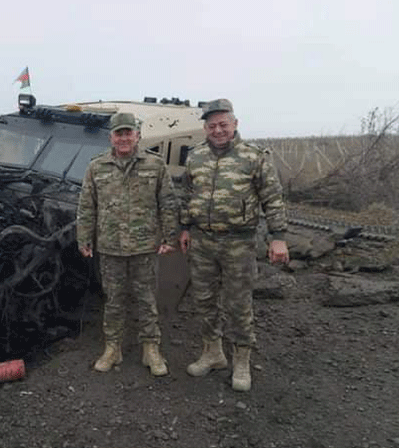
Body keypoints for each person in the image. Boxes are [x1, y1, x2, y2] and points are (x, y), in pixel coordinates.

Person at [179, 99, 289, 392]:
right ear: (205, 128)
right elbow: (186, 195)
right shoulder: (196, 157)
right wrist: (184, 227)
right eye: (212, 125)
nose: (218, 130)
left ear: (235, 124)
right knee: (204, 300)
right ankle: (213, 353)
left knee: (238, 303)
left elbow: (273, 198)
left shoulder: (254, 157)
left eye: (223, 124)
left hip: (238, 242)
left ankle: (241, 360)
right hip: (202, 240)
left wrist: (277, 236)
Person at [77, 112, 179, 376]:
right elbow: (87, 206)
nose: (123, 138)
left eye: (128, 133)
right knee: (113, 300)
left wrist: (170, 237)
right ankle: (113, 348)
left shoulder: (155, 165)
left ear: (137, 135)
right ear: (111, 137)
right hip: (110, 248)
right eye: (118, 133)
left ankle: (151, 348)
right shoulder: (96, 167)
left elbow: (167, 202)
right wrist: (84, 238)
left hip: (144, 247)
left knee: (146, 299)